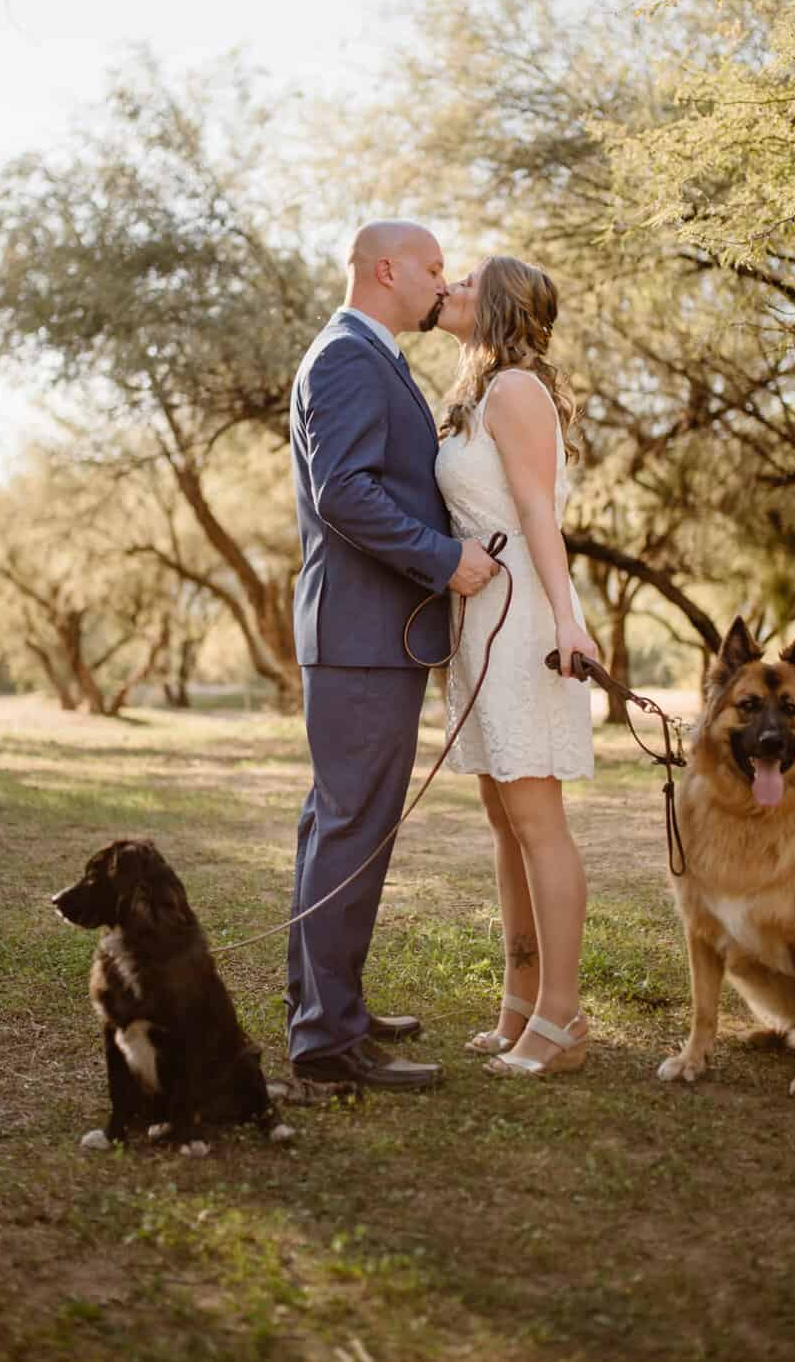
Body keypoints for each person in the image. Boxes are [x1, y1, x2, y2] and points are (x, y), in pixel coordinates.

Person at [287, 220, 500, 1092]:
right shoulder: (344, 357)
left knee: (342, 830)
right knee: (350, 830)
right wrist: (446, 559)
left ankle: (328, 1009)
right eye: (433, 267)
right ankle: (328, 1046)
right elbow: (346, 493)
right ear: (387, 268)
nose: (441, 282)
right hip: (361, 639)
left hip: (370, 638)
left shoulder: (365, 355)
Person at [434, 256, 598, 1077]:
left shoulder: (517, 393)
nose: (448, 290)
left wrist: (568, 620)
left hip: (525, 618)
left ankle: (561, 1020)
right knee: (505, 821)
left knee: (538, 821)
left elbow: (538, 510)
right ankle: (518, 1002)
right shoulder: (475, 395)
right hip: (479, 622)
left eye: (463, 281)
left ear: (493, 303)